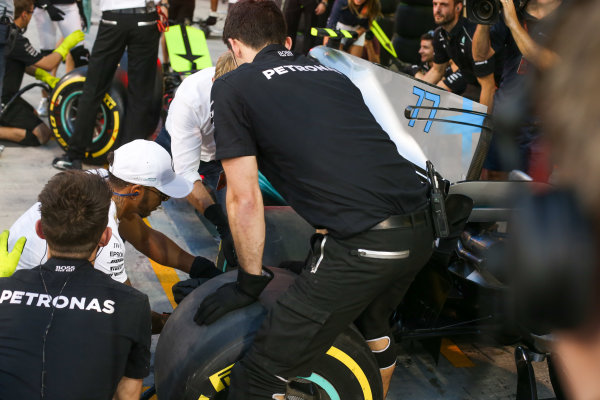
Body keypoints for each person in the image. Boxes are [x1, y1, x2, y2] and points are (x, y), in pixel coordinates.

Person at [193, 1, 435, 398]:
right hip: (422, 227)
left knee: (259, 375)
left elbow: (243, 197)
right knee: (371, 323)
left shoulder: (232, 85)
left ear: (234, 46)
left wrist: (249, 280)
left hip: (367, 245)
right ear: (285, 39)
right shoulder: (332, 74)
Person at [0, 170, 151, 400]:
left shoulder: (3, 291)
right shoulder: (134, 305)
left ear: (40, 230)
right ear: (106, 236)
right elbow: (127, 395)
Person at [10, 139, 221, 283]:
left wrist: (201, 269)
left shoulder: (104, 181)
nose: (163, 203)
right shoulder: (105, 237)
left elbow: (146, 239)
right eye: (163, 195)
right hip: (34, 299)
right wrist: (175, 319)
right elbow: (125, 312)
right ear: (136, 191)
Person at [52, 0, 169, 170]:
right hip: (146, 17)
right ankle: (128, 162)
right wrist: (164, 4)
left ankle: (74, 155)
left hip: (113, 19)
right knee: (140, 94)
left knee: (93, 87)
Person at [155, 51, 239, 267]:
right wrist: (219, 222)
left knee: (237, 223)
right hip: (175, 141)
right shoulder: (191, 98)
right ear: (214, 82)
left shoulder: (255, 94)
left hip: (221, 155)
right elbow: (187, 174)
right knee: (137, 190)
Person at [472, 0, 561, 181]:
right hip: (508, 120)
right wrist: (485, 19)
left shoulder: (568, 13)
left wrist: (512, 23)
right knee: (496, 187)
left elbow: (550, 64)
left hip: (544, 125)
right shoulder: (514, 11)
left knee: (538, 189)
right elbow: (480, 55)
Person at [0, 0, 84, 147]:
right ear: (25, 15)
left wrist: (41, 75)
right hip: (4, 99)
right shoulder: (15, 39)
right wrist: (67, 44)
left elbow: (21, 63)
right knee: (41, 135)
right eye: (32, 13)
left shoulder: (8, 34)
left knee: (34, 115)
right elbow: (48, 63)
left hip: (8, 95)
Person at [422, 0, 498, 108]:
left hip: (499, 89)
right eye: (435, 4)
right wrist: (410, 93)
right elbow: (436, 71)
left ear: (458, 8)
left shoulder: (472, 35)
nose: (437, 10)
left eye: (443, 4)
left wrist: (482, 122)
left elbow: (489, 87)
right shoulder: (439, 34)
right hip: (473, 85)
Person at [32, 0, 90, 117]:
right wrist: (46, 5)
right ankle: (46, 98)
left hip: (69, 5)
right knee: (46, 54)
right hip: (43, 8)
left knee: (80, 54)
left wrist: (80, 8)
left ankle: (80, 99)